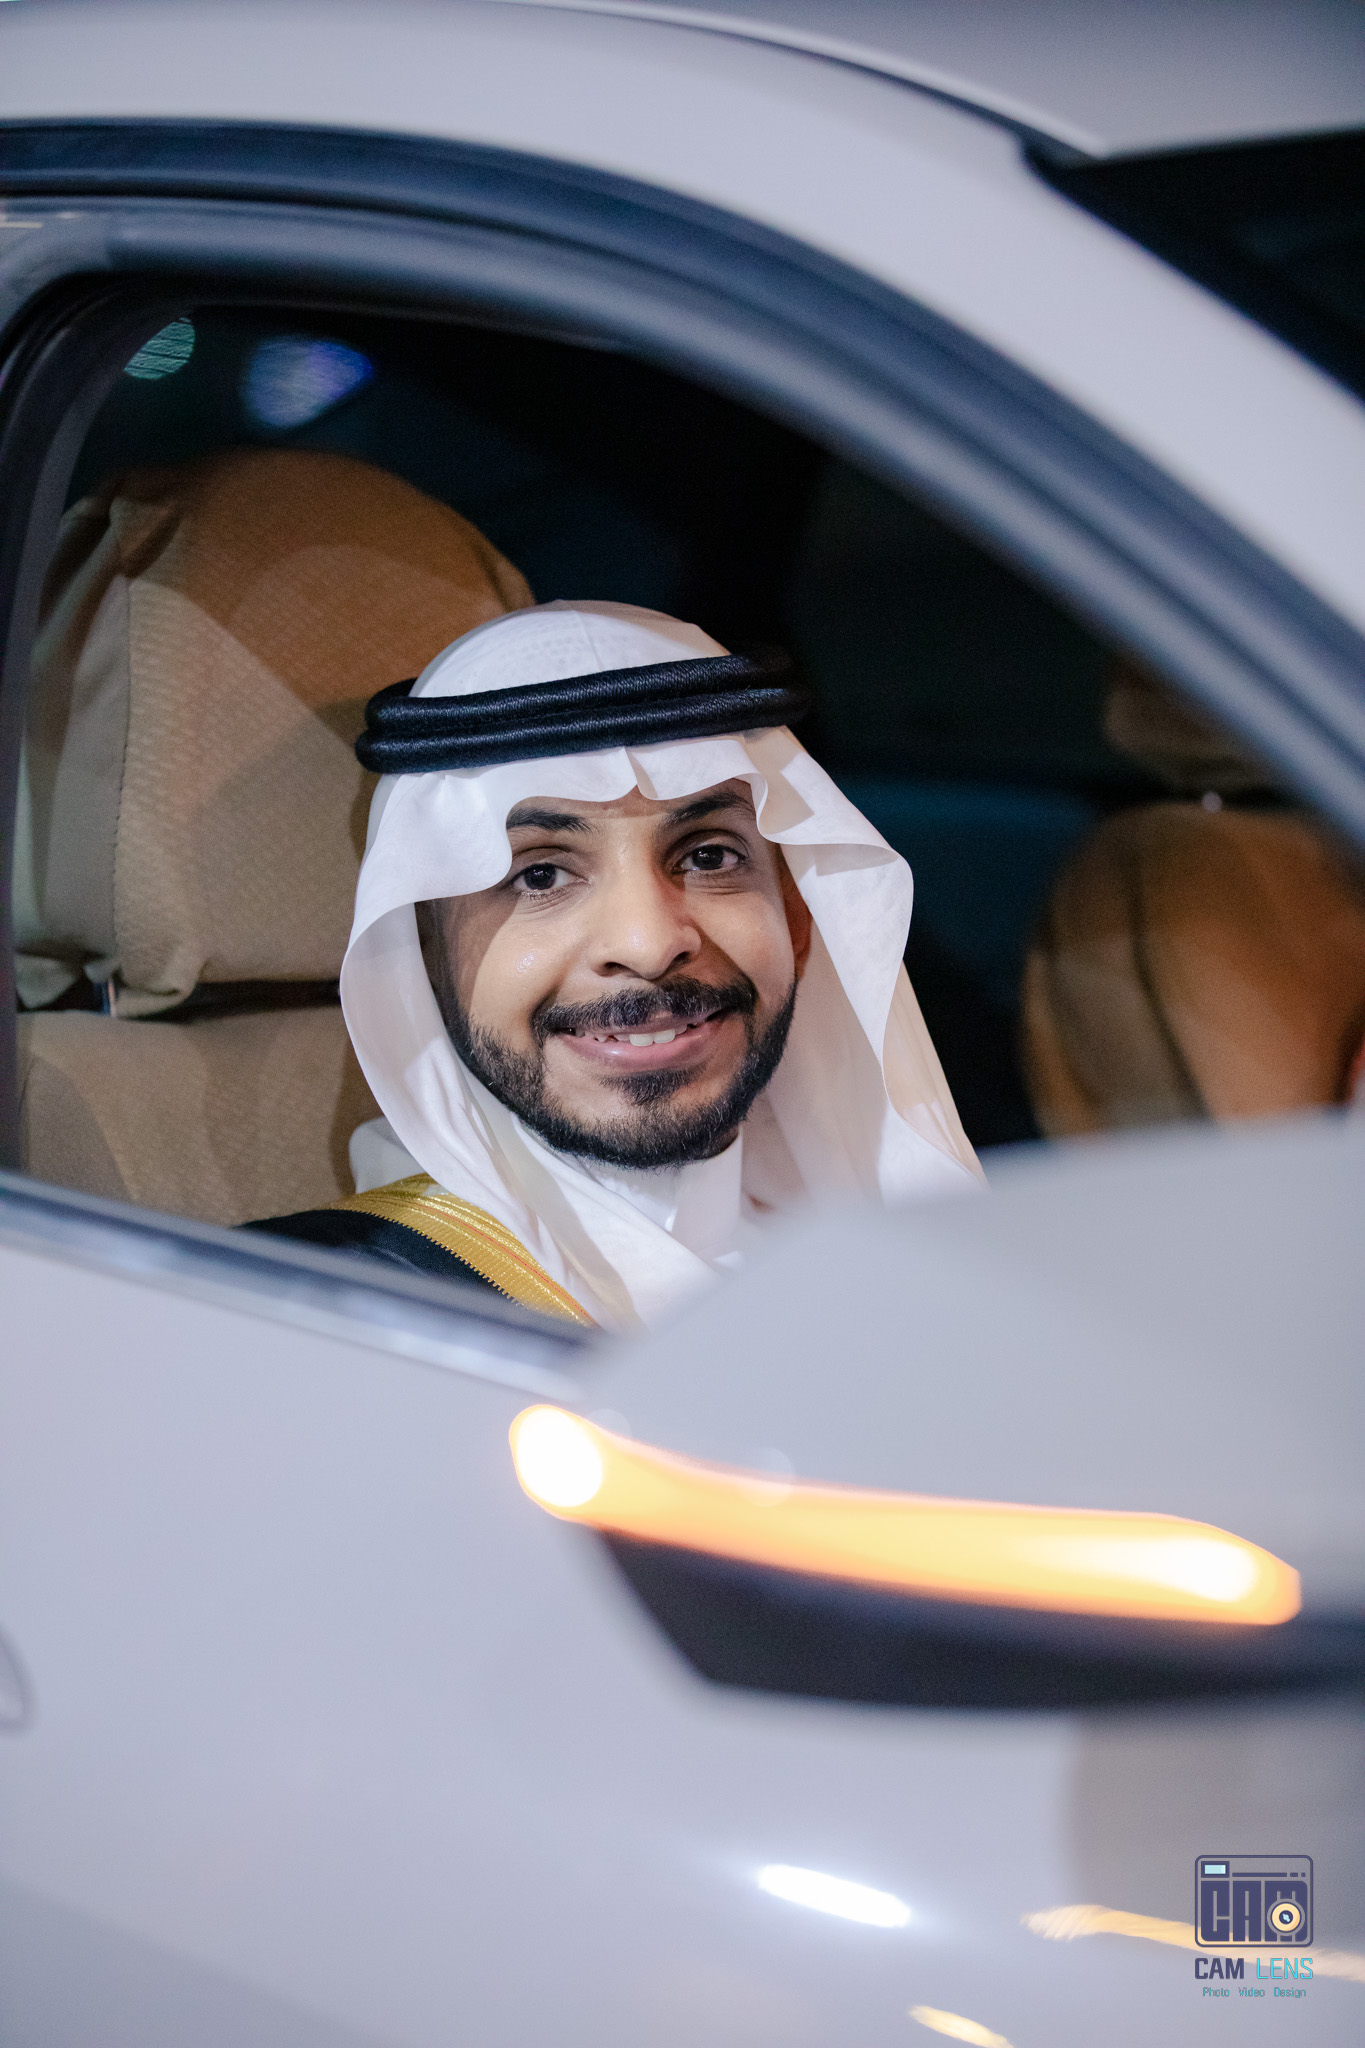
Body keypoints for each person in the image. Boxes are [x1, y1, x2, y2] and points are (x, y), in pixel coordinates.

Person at [251, 601, 980, 1326]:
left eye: (709, 856)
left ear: (796, 918)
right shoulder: (305, 1318)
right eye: (540, 875)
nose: (647, 943)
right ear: (426, 956)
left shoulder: (919, 1279)